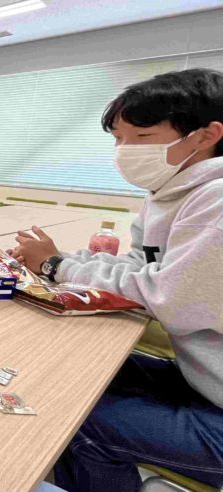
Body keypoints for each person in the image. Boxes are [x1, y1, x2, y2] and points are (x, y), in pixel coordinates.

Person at [13, 68, 223, 491]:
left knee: (77, 418)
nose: (125, 151)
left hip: (215, 406)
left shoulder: (215, 200)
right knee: (81, 373)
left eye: (141, 137)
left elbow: (168, 299)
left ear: (206, 136)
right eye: (118, 139)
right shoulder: (167, 193)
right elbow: (139, 266)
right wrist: (62, 259)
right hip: (203, 380)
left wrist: (55, 266)